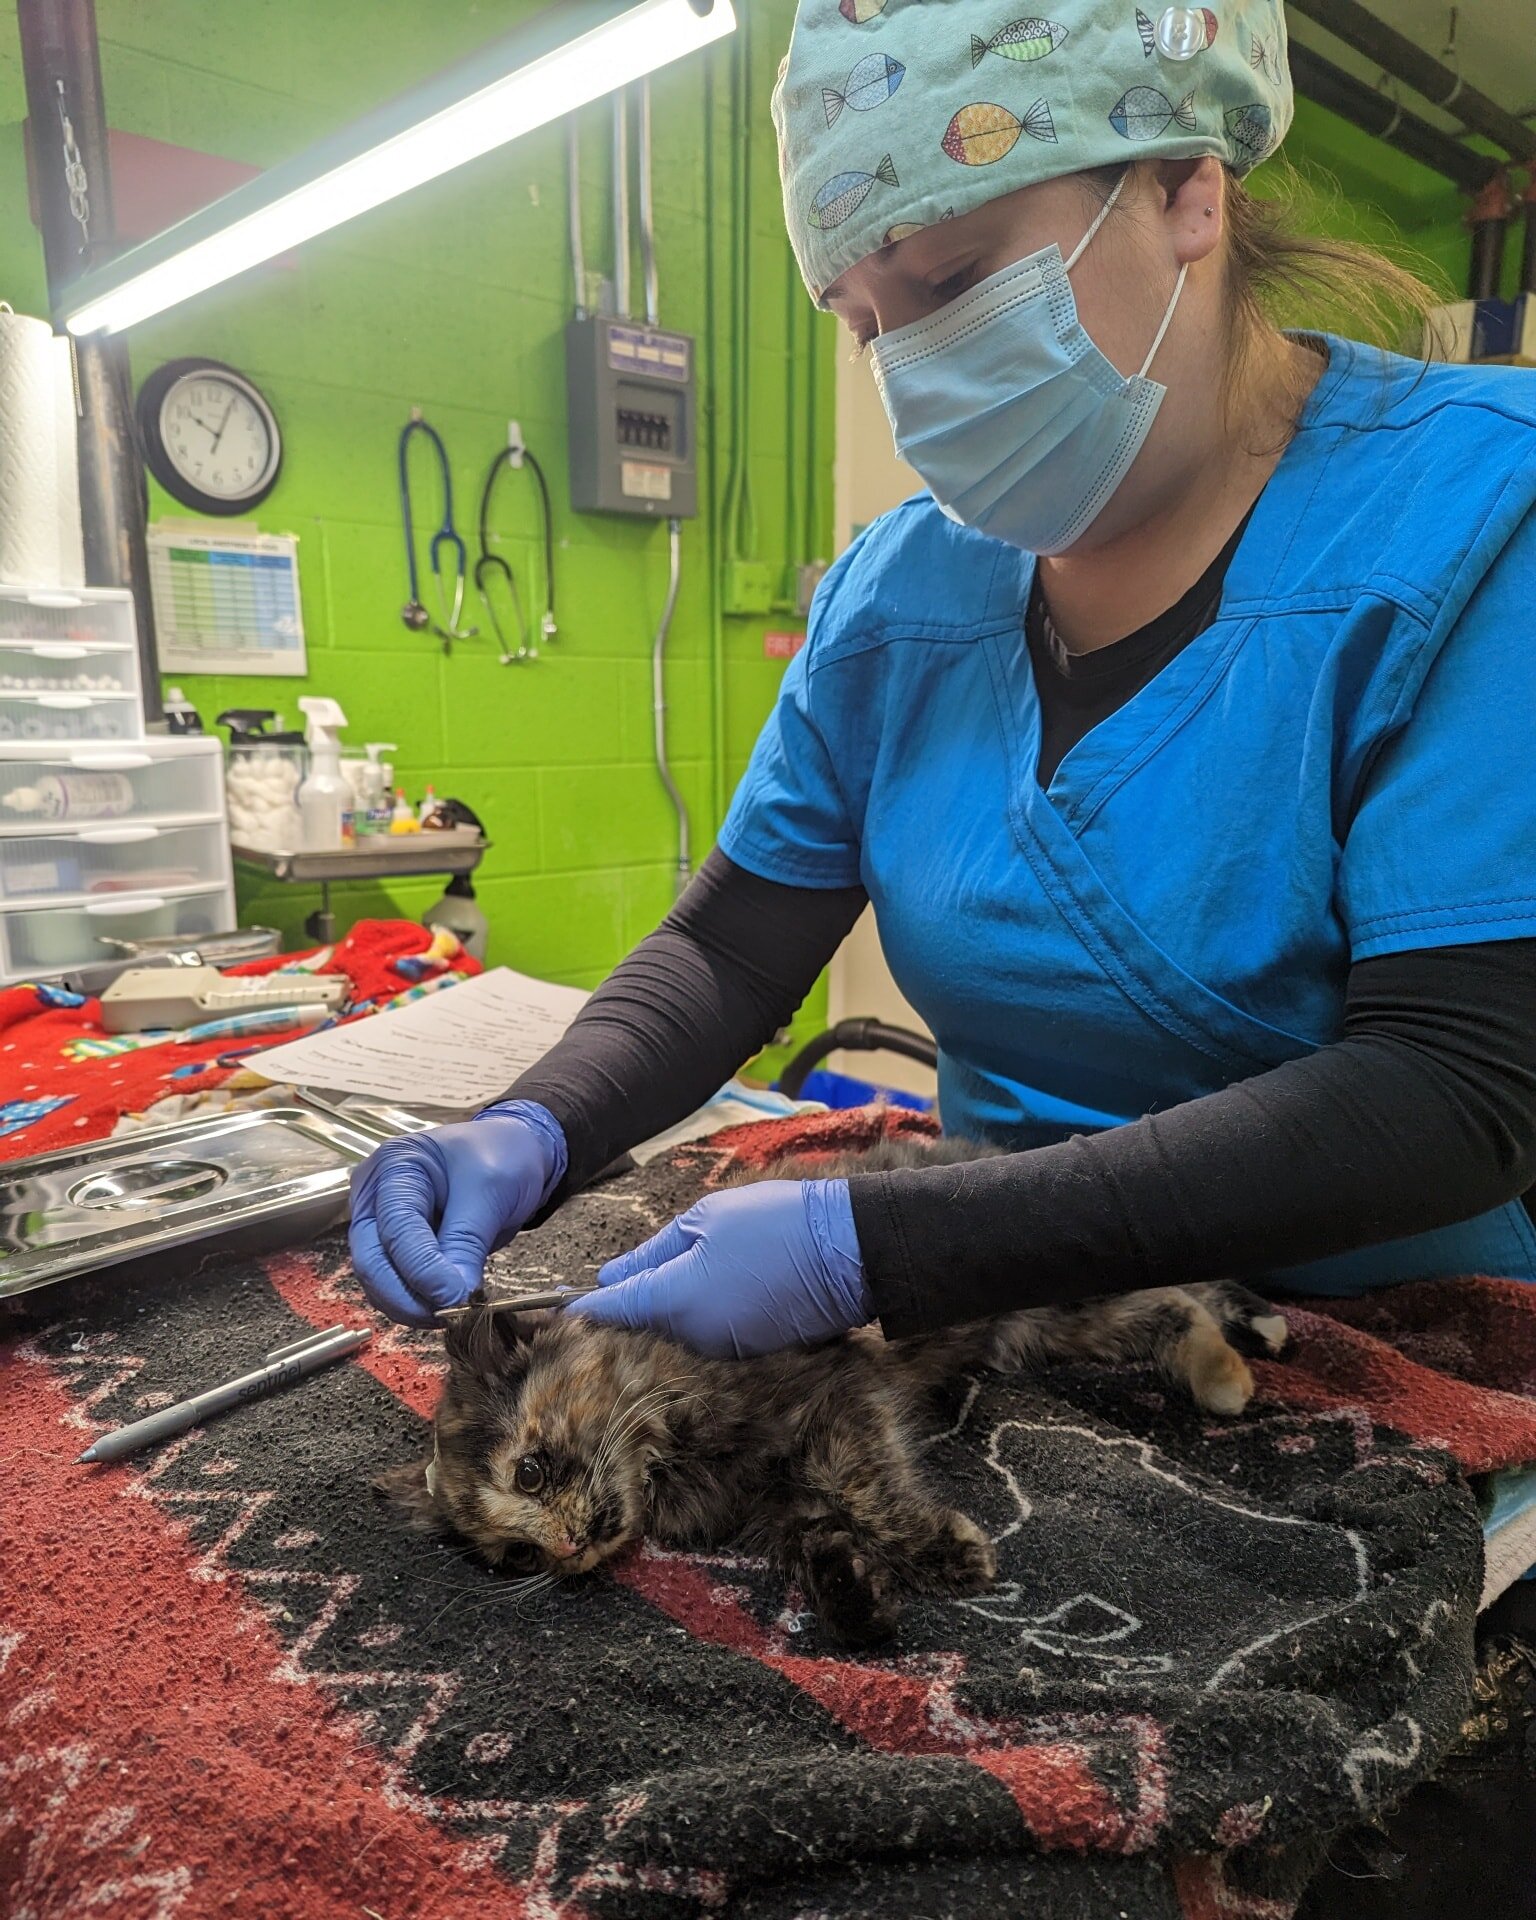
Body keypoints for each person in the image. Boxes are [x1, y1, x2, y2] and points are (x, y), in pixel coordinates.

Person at [350, 0, 1536, 1357]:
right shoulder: (899, 592)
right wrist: (537, 1121)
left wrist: (880, 1248)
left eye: (955, 280)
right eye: (863, 324)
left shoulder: (1483, 514)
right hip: (1004, 1317)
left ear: (1185, 193)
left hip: (1382, 1337)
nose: (911, 373)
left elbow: (1457, 1086)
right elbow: (732, 947)